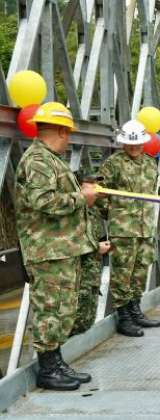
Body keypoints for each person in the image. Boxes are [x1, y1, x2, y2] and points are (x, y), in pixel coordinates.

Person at [15, 101, 98, 390]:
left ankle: (56, 362)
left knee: (61, 309)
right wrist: (82, 198)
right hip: (47, 251)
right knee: (50, 309)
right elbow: (43, 201)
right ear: (62, 131)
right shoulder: (38, 160)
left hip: (60, 249)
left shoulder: (49, 159)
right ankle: (48, 370)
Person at [98, 119, 160, 338]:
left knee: (140, 270)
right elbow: (99, 194)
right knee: (123, 273)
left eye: (137, 144)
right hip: (123, 229)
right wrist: (115, 213)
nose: (134, 148)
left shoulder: (150, 164)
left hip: (145, 228)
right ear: (123, 143)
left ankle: (136, 309)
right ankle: (124, 316)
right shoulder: (113, 164)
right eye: (130, 144)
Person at [71, 169, 110, 336]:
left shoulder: (93, 209)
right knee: (74, 320)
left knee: (87, 318)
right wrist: (96, 247)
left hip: (92, 275)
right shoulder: (72, 211)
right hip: (77, 276)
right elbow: (70, 241)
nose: (95, 190)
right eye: (90, 186)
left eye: (97, 186)